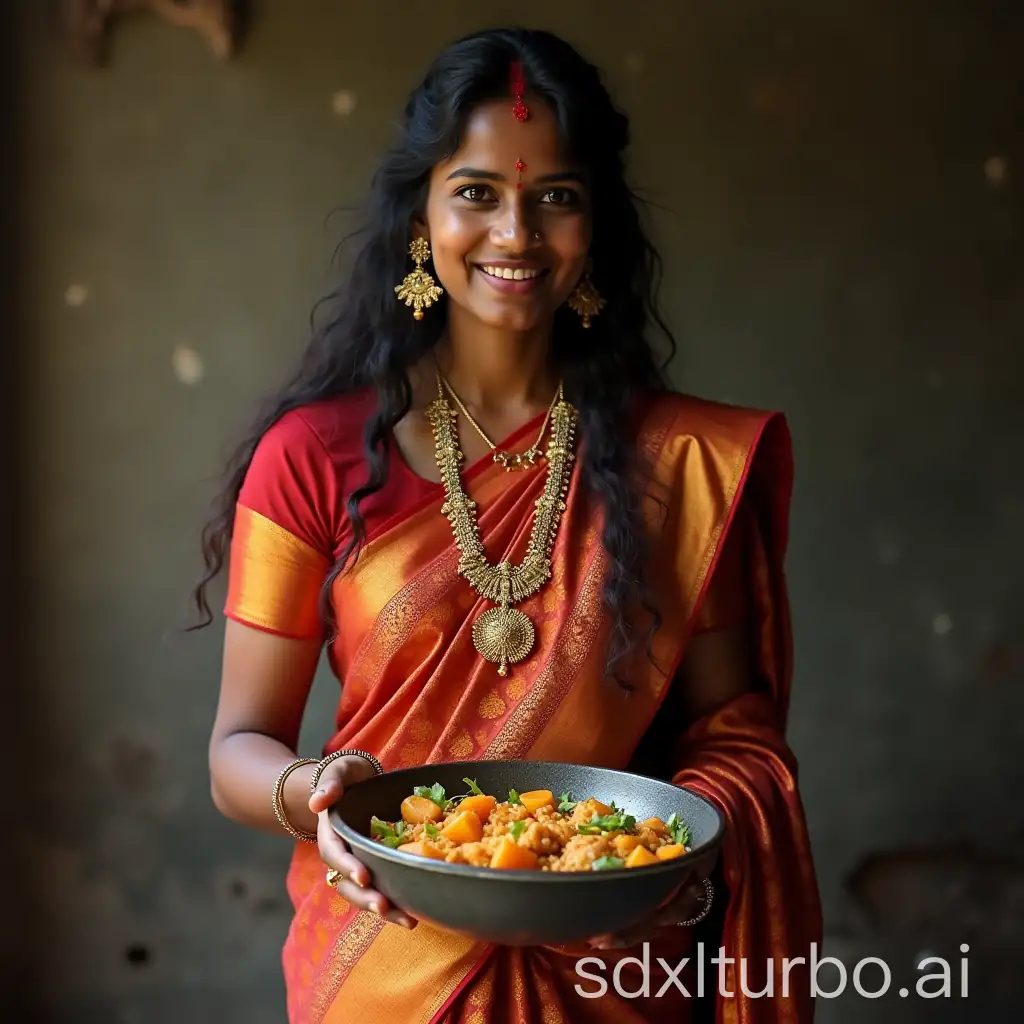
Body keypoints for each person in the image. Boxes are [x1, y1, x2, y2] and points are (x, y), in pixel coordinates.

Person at [196, 26, 821, 1024]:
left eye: (556, 198)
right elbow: (238, 748)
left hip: (616, 961)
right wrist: (319, 795)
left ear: (595, 226)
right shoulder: (312, 458)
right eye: (477, 192)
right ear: (422, 215)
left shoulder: (684, 465)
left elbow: (734, 739)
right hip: (379, 956)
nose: (516, 233)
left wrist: (666, 870)